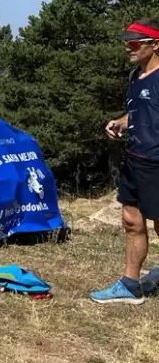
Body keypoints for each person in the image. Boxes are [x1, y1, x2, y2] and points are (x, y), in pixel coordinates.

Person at [92, 18, 159, 304]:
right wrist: (121, 122)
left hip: (157, 163)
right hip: (135, 159)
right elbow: (141, 112)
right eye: (126, 44)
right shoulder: (135, 76)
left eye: (134, 43)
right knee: (131, 220)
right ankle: (131, 285)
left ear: (155, 44)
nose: (128, 49)